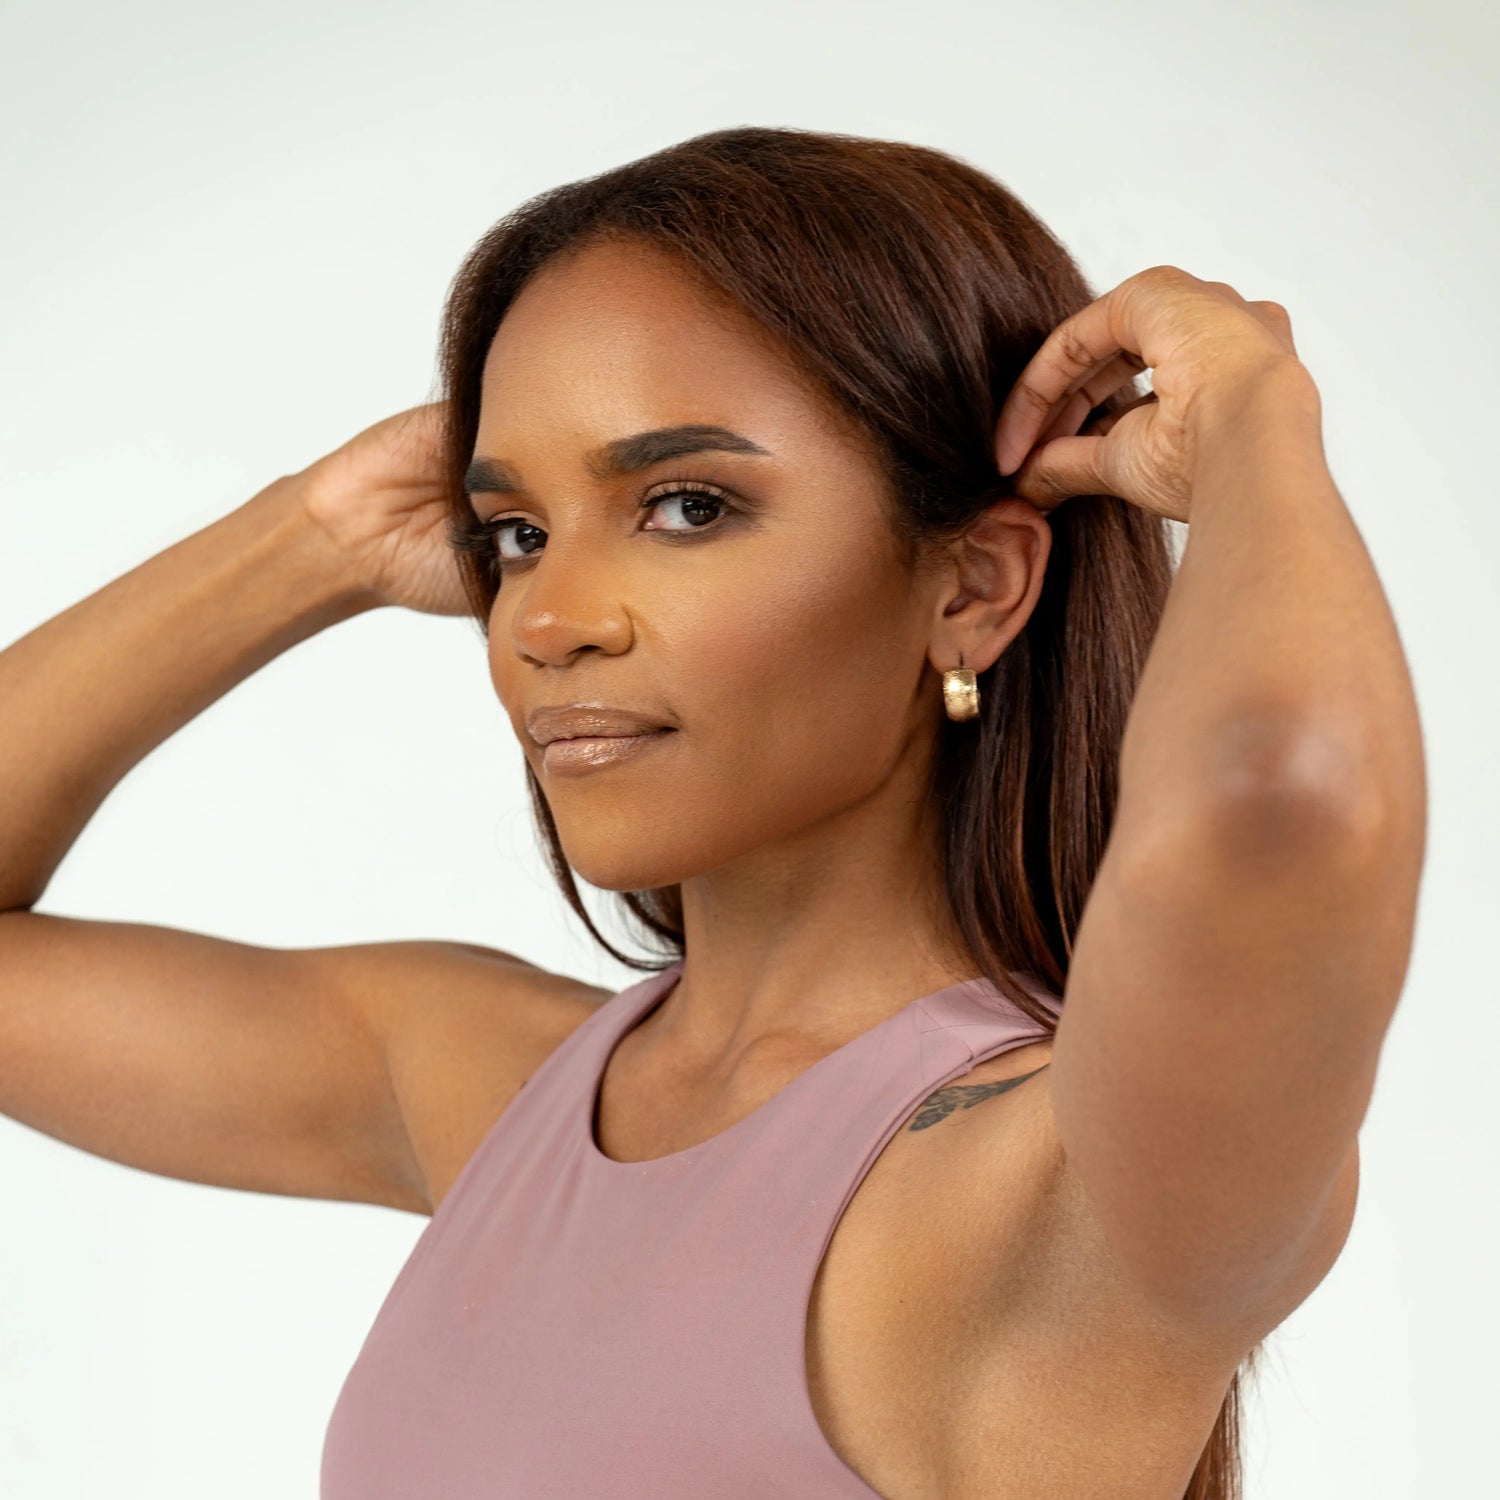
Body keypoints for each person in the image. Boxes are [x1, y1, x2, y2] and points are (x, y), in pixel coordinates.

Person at [0, 126, 1424, 1500]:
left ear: (973, 588)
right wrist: (316, 536)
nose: (544, 619)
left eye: (686, 506)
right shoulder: (496, 1091)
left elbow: (1290, 801)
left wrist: (1255, 421)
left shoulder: (1066, 1185)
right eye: (516, 534)